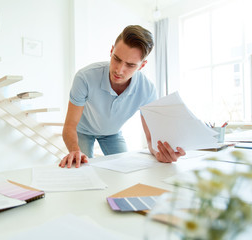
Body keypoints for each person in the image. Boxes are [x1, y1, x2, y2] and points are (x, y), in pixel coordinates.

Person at [59, 25, 185, 168]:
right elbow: (69, 126)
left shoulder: (147, 90)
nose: (119, 70)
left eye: (130, 65)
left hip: (112, 134)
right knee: (82, 167)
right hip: (82, 131)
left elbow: (150, 138)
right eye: (117, 59)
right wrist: (75, 151)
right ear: (111, 51)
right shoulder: (85, 77)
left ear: (142, 66)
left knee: (124, 168)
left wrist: (158, 153)